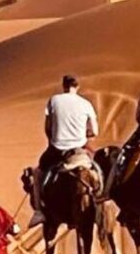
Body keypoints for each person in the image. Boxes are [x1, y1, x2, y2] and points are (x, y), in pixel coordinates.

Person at [30, 75, 99, 226]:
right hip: (79, 149)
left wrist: (54, 136)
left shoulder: (54, 100)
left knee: (38, 173)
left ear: (63, 86)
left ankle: (38, 211)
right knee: (98, 171)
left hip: (58, 148)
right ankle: (101, 203)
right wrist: (84, 134)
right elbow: (94, 131)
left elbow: (47, 127)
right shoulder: (86, 104)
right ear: (77, 87)